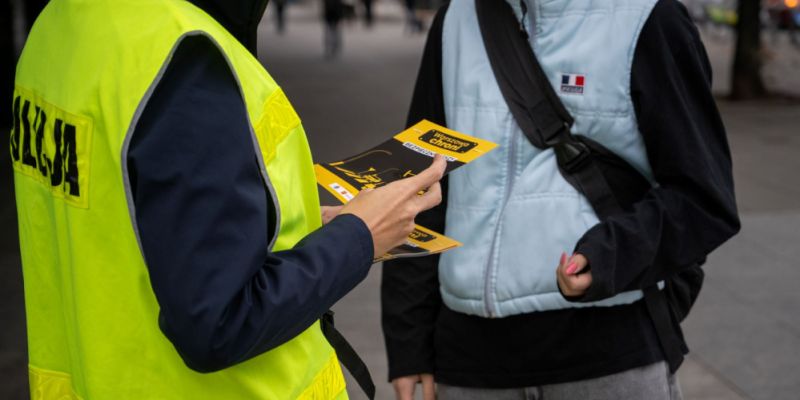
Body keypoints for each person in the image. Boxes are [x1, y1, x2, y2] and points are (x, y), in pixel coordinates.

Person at [10, 0, 445, 398]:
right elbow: (218, 323)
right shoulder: (184, 58)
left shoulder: (60, 24)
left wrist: (307, 236)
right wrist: (359, 236)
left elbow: (128, 222)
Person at [381, 1, 741, 399]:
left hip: (608, 356)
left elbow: (703, 197)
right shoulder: (457, 17)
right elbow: (417, 185)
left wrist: (610, 254)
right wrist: (408, 341)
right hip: (468, 362)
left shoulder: (650, 16)